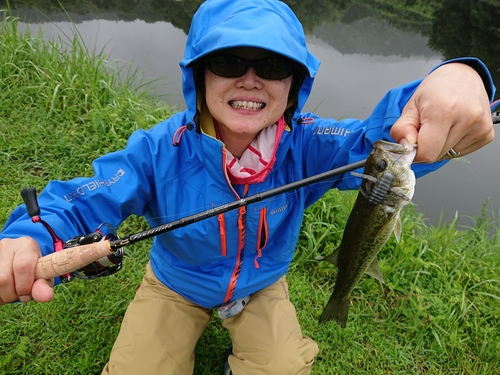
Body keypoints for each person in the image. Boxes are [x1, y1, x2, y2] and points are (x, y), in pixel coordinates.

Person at [0, 0, 495, 374]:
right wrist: (32, 237)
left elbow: (385, 141)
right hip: (176, 285)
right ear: (199, 75)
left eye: (274, 67)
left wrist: (461, 77)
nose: (251, 79)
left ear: (294, 84)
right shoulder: (158, 150)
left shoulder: (308, 144)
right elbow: (88, 196)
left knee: (284, 367)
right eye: (230, 62)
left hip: (261, 287)